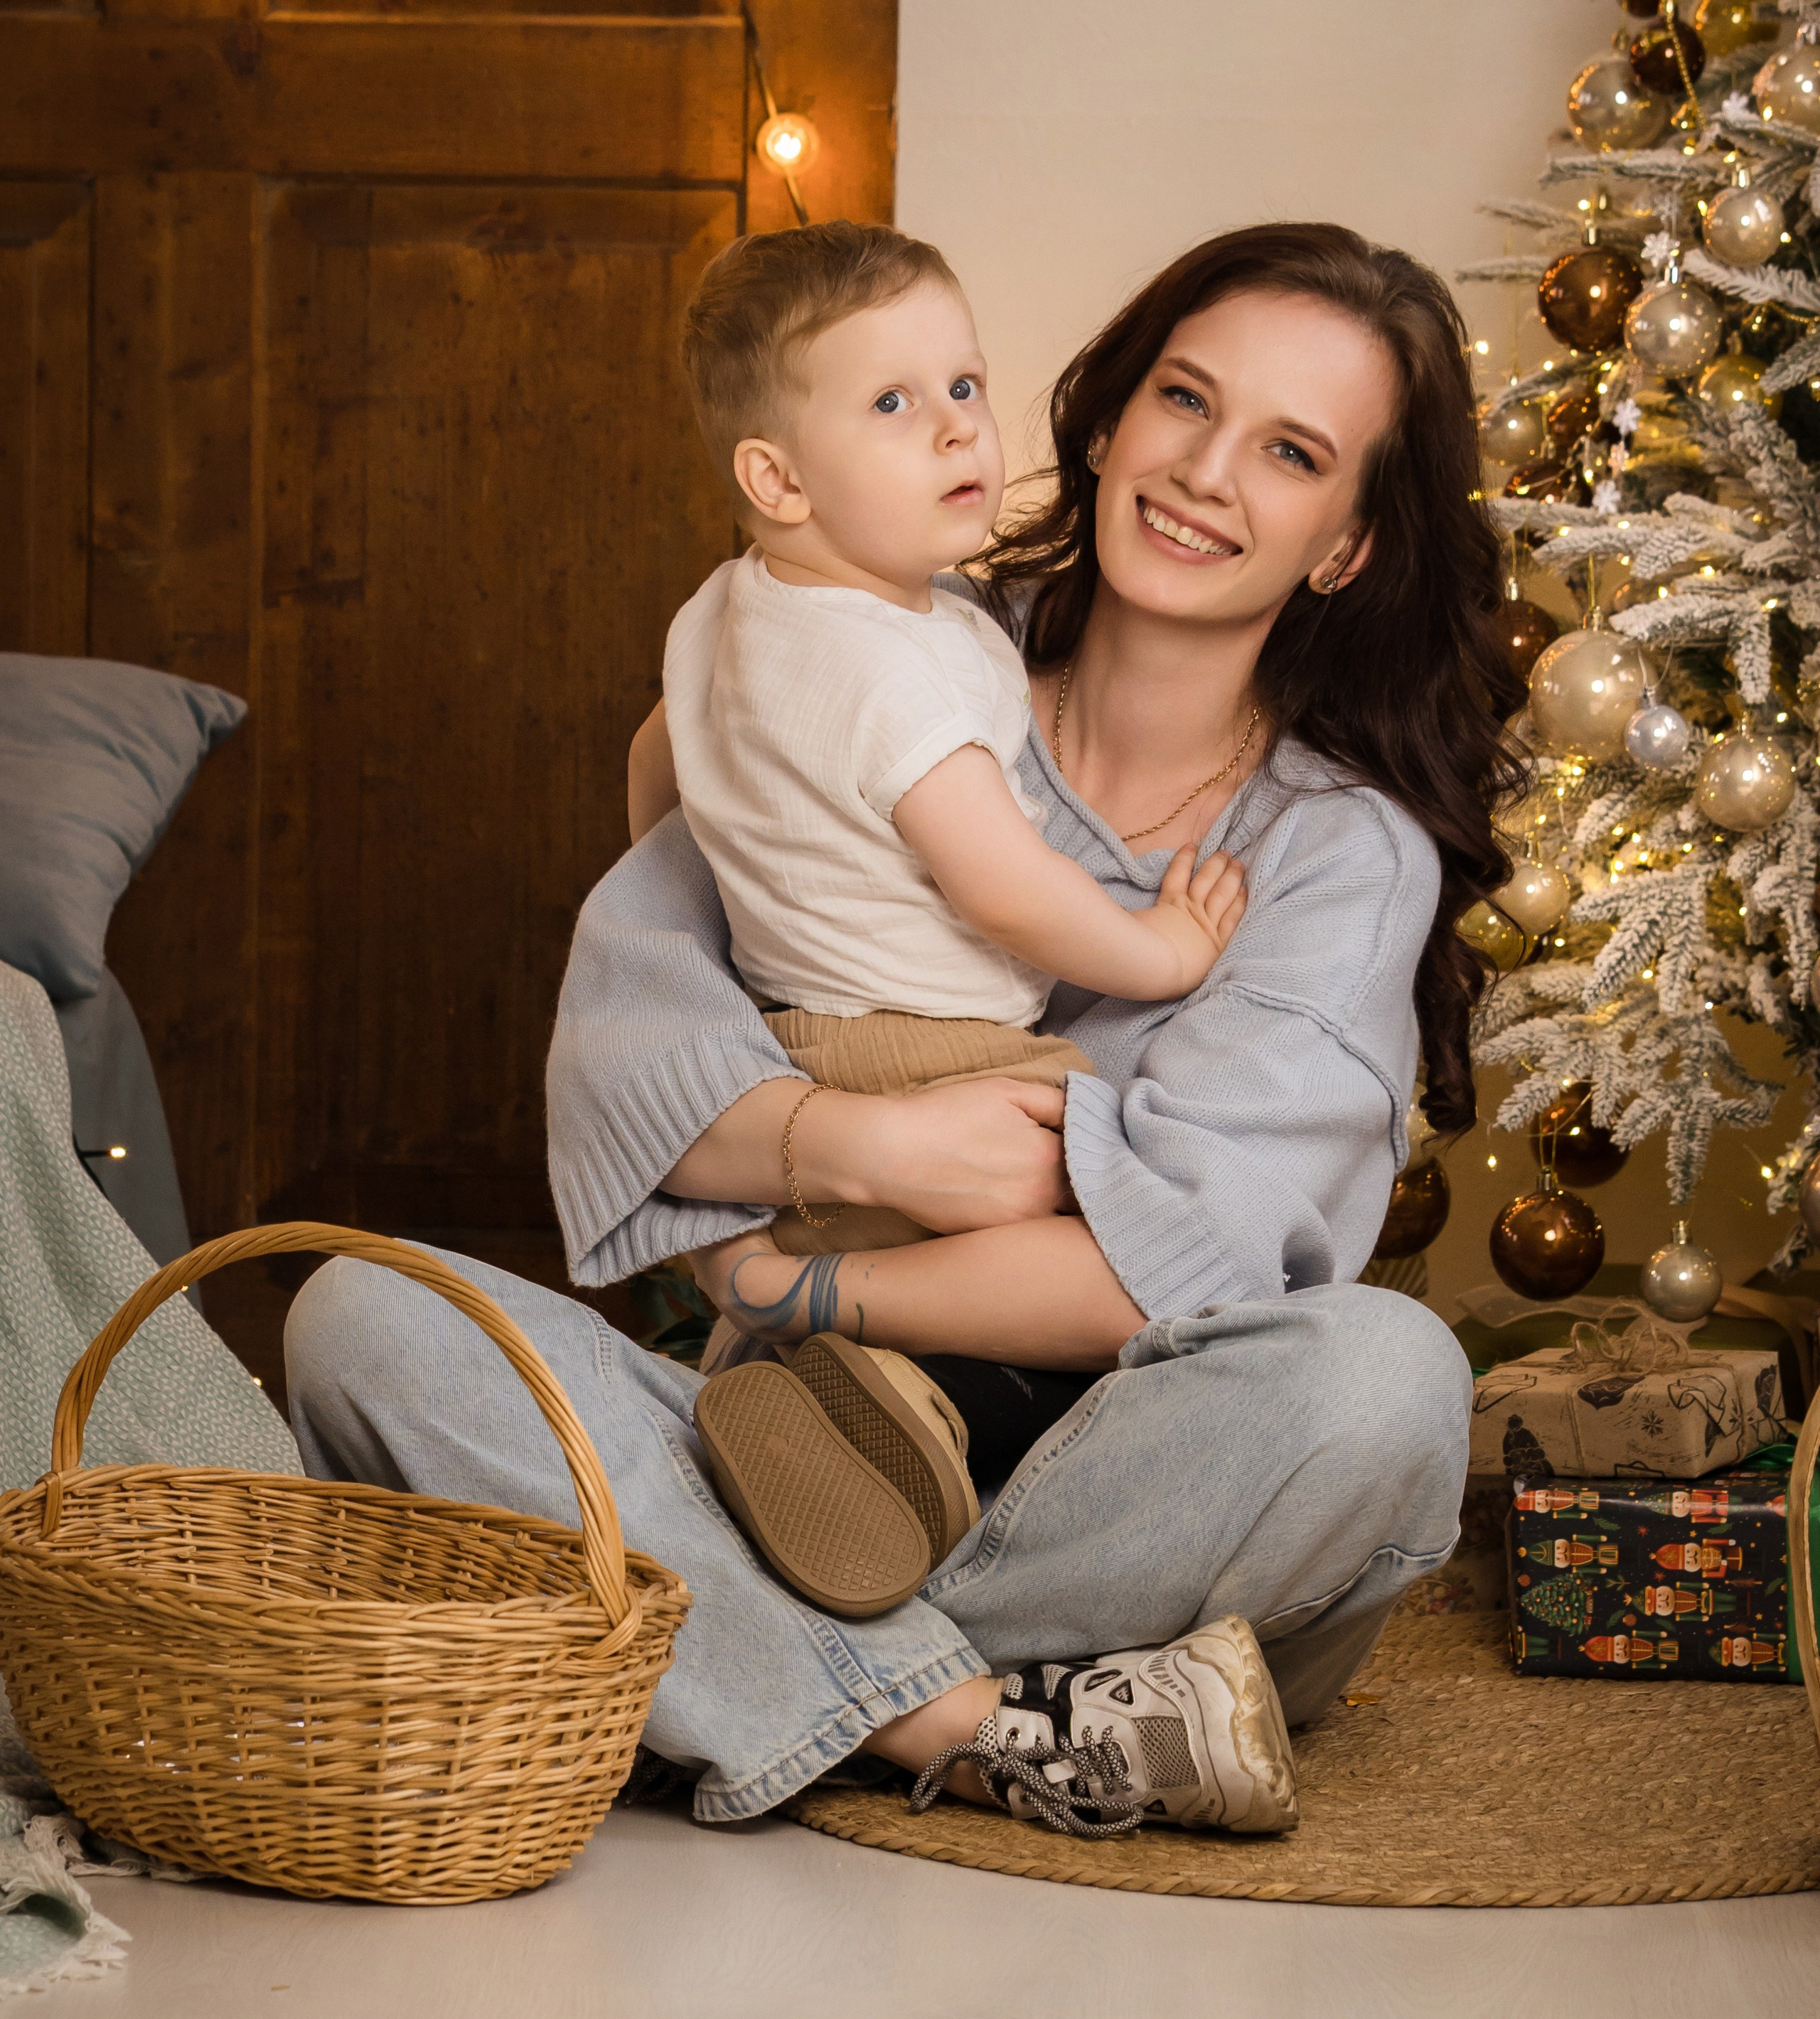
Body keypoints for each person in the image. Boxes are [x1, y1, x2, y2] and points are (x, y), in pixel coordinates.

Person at [284, 220, 1522, 1846]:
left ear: (1345, 544)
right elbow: (634, 1044)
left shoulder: (1334, 853)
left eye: (1287, 452)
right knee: (362, 1315)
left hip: (1120, 1510)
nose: (1204, 472)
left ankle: (711, 1655)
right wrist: (849, 1144)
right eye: (1182, 400)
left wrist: (795, 1276)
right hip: (780, 1459)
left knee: (1384, 1384)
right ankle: (971, 1723)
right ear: (1102, 419)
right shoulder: (854, 636)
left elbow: (1176, 1273)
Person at [634, 220, 1246, 1628]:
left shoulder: (730, 614)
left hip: (795, 1034)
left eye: (961, 386)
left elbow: (652, 768)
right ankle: (838, 1355)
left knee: (903, 1253)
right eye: (892, 407)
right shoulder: (892, 677)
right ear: (775, 477)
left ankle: (810, 1402)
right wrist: (1158, 950)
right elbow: (996, 885)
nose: (956, 431)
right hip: (936, 1055)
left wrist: (735, 909)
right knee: (1126, 1220)